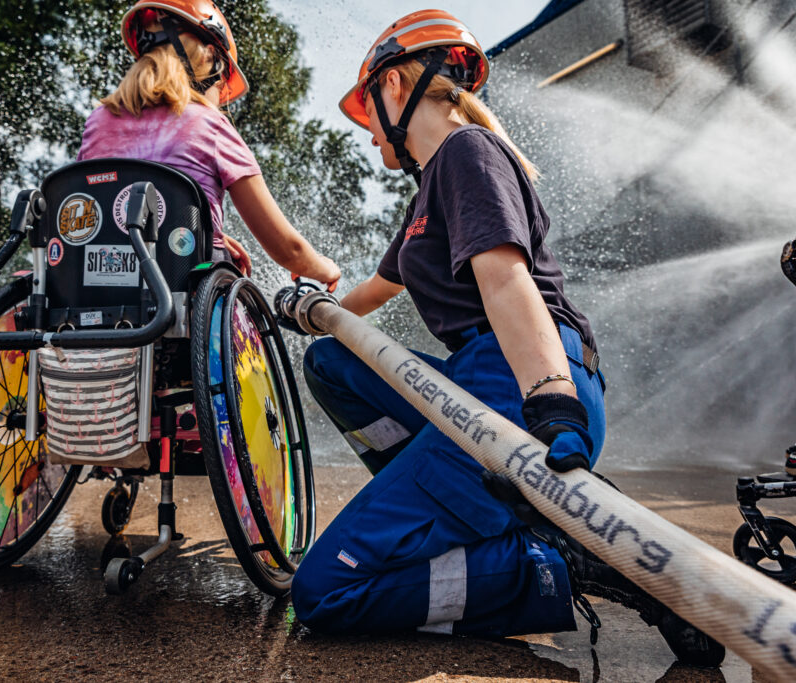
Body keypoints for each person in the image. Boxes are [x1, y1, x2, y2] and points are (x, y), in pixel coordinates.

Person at [289, 10, 723, 667]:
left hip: (517, 383)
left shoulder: (467, 153)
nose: (368, 128)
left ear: (398, 86)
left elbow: (506, 283)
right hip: (475, 385)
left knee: (325, 591)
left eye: (369, 108)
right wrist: (297, 310)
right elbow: (365, 301)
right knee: (330, 358)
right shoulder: (426, 196)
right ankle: (487, 514)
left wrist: (551, 404)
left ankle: (549, 567)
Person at [77, 0, 339, 289]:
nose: (223, 93)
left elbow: (103, 210)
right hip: (181, 303)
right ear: (210, 58)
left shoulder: (98, 120)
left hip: (97, 294)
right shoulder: (209, 125)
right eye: (223, 80)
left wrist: (199, 230)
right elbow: (289, 250)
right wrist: (326, 269)